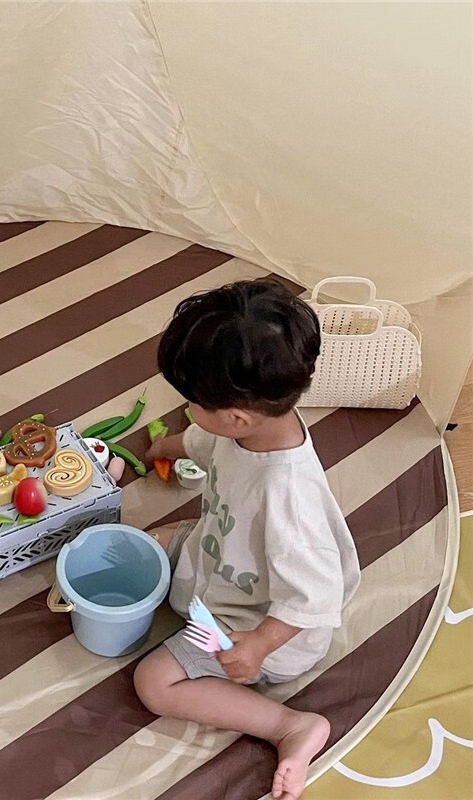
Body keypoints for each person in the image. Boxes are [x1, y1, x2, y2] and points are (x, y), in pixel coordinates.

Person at [134, 279, 360, 800]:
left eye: (192, 402)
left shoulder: (288, 498)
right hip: (222, 553)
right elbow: (205, 443)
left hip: (251, 622)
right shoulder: (252, 427)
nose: (188, 408)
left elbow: (316, 595)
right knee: (145, 543)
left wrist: (259, 645)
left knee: (154, 682)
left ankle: (288, 727)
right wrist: (167, 446)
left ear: (236, 417)